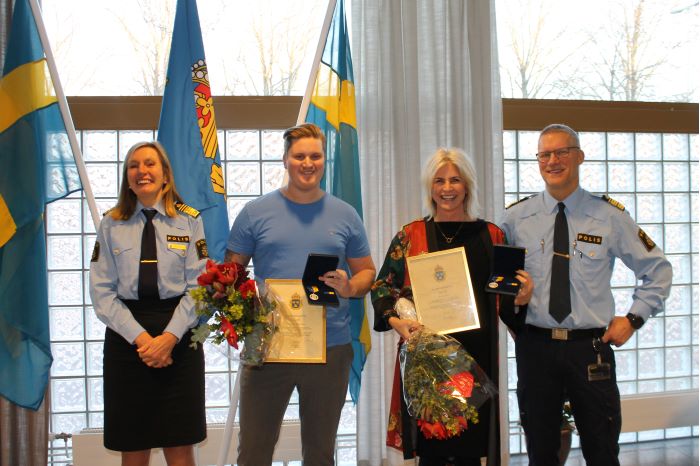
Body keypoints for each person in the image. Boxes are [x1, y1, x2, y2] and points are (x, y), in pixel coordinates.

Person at [500, 124, 673, 466]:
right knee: (541, 450)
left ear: (579, 157)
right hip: (536, 347)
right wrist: (511, 306)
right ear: (537, 161)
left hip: (589, 348)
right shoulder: (515, 218)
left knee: (602, 448)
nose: (553, 161)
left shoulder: (609, 216)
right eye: (545, 154)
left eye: (562, 152)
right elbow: (497, 279)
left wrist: (634, 318)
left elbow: (658, 270)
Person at [225, 123, 376, 466]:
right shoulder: (255, 212)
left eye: (315, 156)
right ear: (285, 160)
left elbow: (367, 272)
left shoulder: (345, 214)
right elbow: (228, 276)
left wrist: (350, 286)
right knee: (252, 453)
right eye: (299, 156)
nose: (308, 163)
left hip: (329, 348)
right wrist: (247, 303)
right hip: (268, 348)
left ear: (324, 160)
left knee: (320, 454)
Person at [372, 148, 533, 466]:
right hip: (428, 359)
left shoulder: (492, 235)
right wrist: (396, 322)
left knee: (471, 450)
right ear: (430, 187)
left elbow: (506, 301)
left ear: (467, 185)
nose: (447, 188)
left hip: (477, 360)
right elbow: (382, 288)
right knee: (433, 449)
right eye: (439, 181)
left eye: (455, 180)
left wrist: (522, 297)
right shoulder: (411, 234)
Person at [90, 141, 207, 466]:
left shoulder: (189, 222)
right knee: (133, 444)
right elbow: (102, 293)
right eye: (134, 165)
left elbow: (199, 288)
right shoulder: (111, 224)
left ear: (165, 175)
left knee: (180, 445)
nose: (142, 171)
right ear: (127, 179)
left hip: (180, 337)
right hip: (128, 339)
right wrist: (144, 342)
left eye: (150, 164)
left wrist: (168, 339)